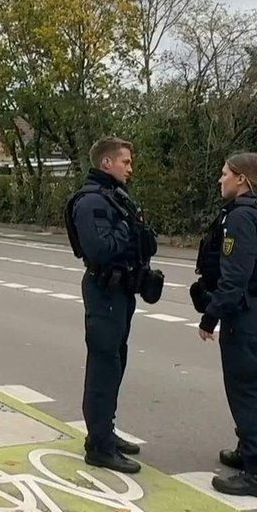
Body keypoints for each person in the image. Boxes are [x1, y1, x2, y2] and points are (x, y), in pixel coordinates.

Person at [191, 152, 257, 500]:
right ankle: (248, 450)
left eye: (225, 174)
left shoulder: (242, 216)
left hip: (247, 312)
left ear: (241, 179)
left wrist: (210, 316)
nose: (220, 179)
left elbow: (235, 276)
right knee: (256, 383)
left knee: (246, 390)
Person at [62, 136, 161, 474]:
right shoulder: (91, 201)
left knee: (116, 363)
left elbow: (145, 241)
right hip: (104, 290)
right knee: (104, 367)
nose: (130, 168)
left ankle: (106, 431)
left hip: (122, 291)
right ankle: (99, 446)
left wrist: (137, 233)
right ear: (107, 163)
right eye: (125, 162)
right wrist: (130, 230)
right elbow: (99, 249)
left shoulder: (116, 197)